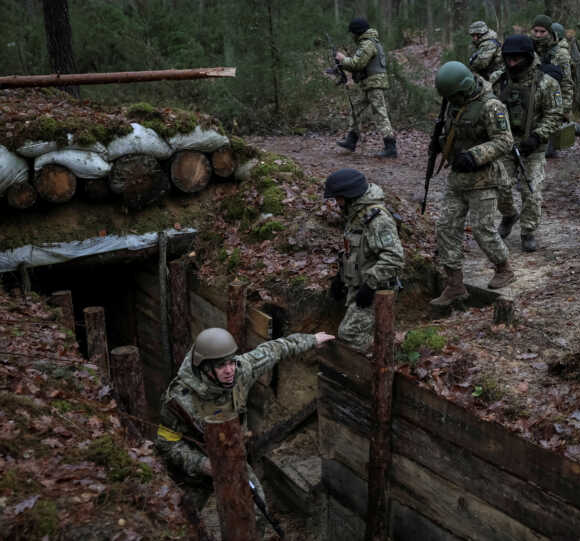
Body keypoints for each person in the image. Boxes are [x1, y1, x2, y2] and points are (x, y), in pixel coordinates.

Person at [155, 327, 335, 528]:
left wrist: (311, 339)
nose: (230, 369)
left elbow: (274, 349)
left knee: (256, 513)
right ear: (204, 367)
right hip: (191, 473)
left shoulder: (241, 371)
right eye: (221, 366)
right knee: (181, 523)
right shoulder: (179, 400)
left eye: (231, 362)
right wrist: (202, 465)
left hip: (232, 460)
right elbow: (166, 443)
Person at [430, 61, 516, 306]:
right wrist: (441, 143)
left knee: (482, 228)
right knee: (446, 228)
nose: (452, 100)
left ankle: (504, 268)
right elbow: (453, 131)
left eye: (454, 95)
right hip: (458, 179)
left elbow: (504, 141)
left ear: (464, 88)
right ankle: (455, 284)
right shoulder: (454, 104)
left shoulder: (491, 106)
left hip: (484, 178)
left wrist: (475, 155)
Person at [490, 36, 563, 251]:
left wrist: (538, 136)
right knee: (500, 187)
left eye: (517, 59)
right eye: (508, 59)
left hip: (533, 146)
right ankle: (509, 215)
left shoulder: (546, 82)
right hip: (504, 144)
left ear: (528, 57)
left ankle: (528, 231)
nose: (512, 64)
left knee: (531, 192)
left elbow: (555, 114)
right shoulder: (498, 79)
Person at [325, 168, 404, 351]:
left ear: (350, 195)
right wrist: (341, 277)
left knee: (350, 334)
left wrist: (370, 285)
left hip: (378, 288)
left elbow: (394, 258)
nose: (336, 203)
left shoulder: (377, 220)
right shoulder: (356, 215)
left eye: (339, 198)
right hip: (359, 284)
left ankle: (382, 357)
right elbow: (356, 250)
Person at [335, 17, 397, 158]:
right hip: (368, 83)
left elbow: (357, 64)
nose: (352, 36)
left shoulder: (368, 44)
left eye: (353, 33)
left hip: (374, 84)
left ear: (357, 32)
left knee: (380, 113)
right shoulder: (367, 43)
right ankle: (352, 140)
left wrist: (342, 59)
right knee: (356, 109)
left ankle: (390, 146)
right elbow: (359, 66)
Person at [551, 22, 580, 153]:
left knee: (558, 121)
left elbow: (567, 81)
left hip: (559, 92)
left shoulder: (562, 53)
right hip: (549, 91)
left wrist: (566, 103)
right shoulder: (550, 49)